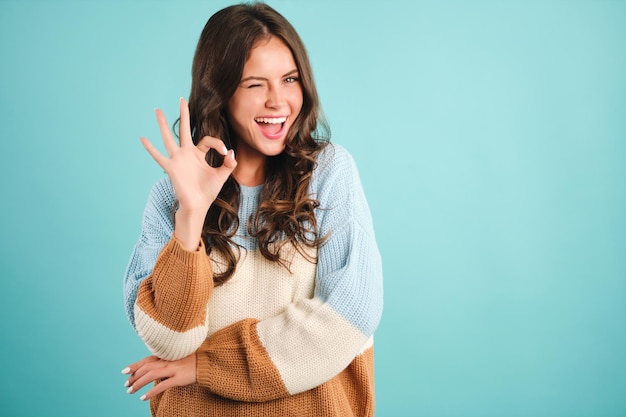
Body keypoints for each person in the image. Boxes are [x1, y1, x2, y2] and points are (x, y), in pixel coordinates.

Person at [121, 3, 383, 416]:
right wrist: (191, 213)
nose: (278, 101)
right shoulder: (170, 198)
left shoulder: (328, 173)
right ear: (220, 93)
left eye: (290, 79)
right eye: (254, 85)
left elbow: (351, 315)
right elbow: (169, 342)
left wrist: (205, 366)